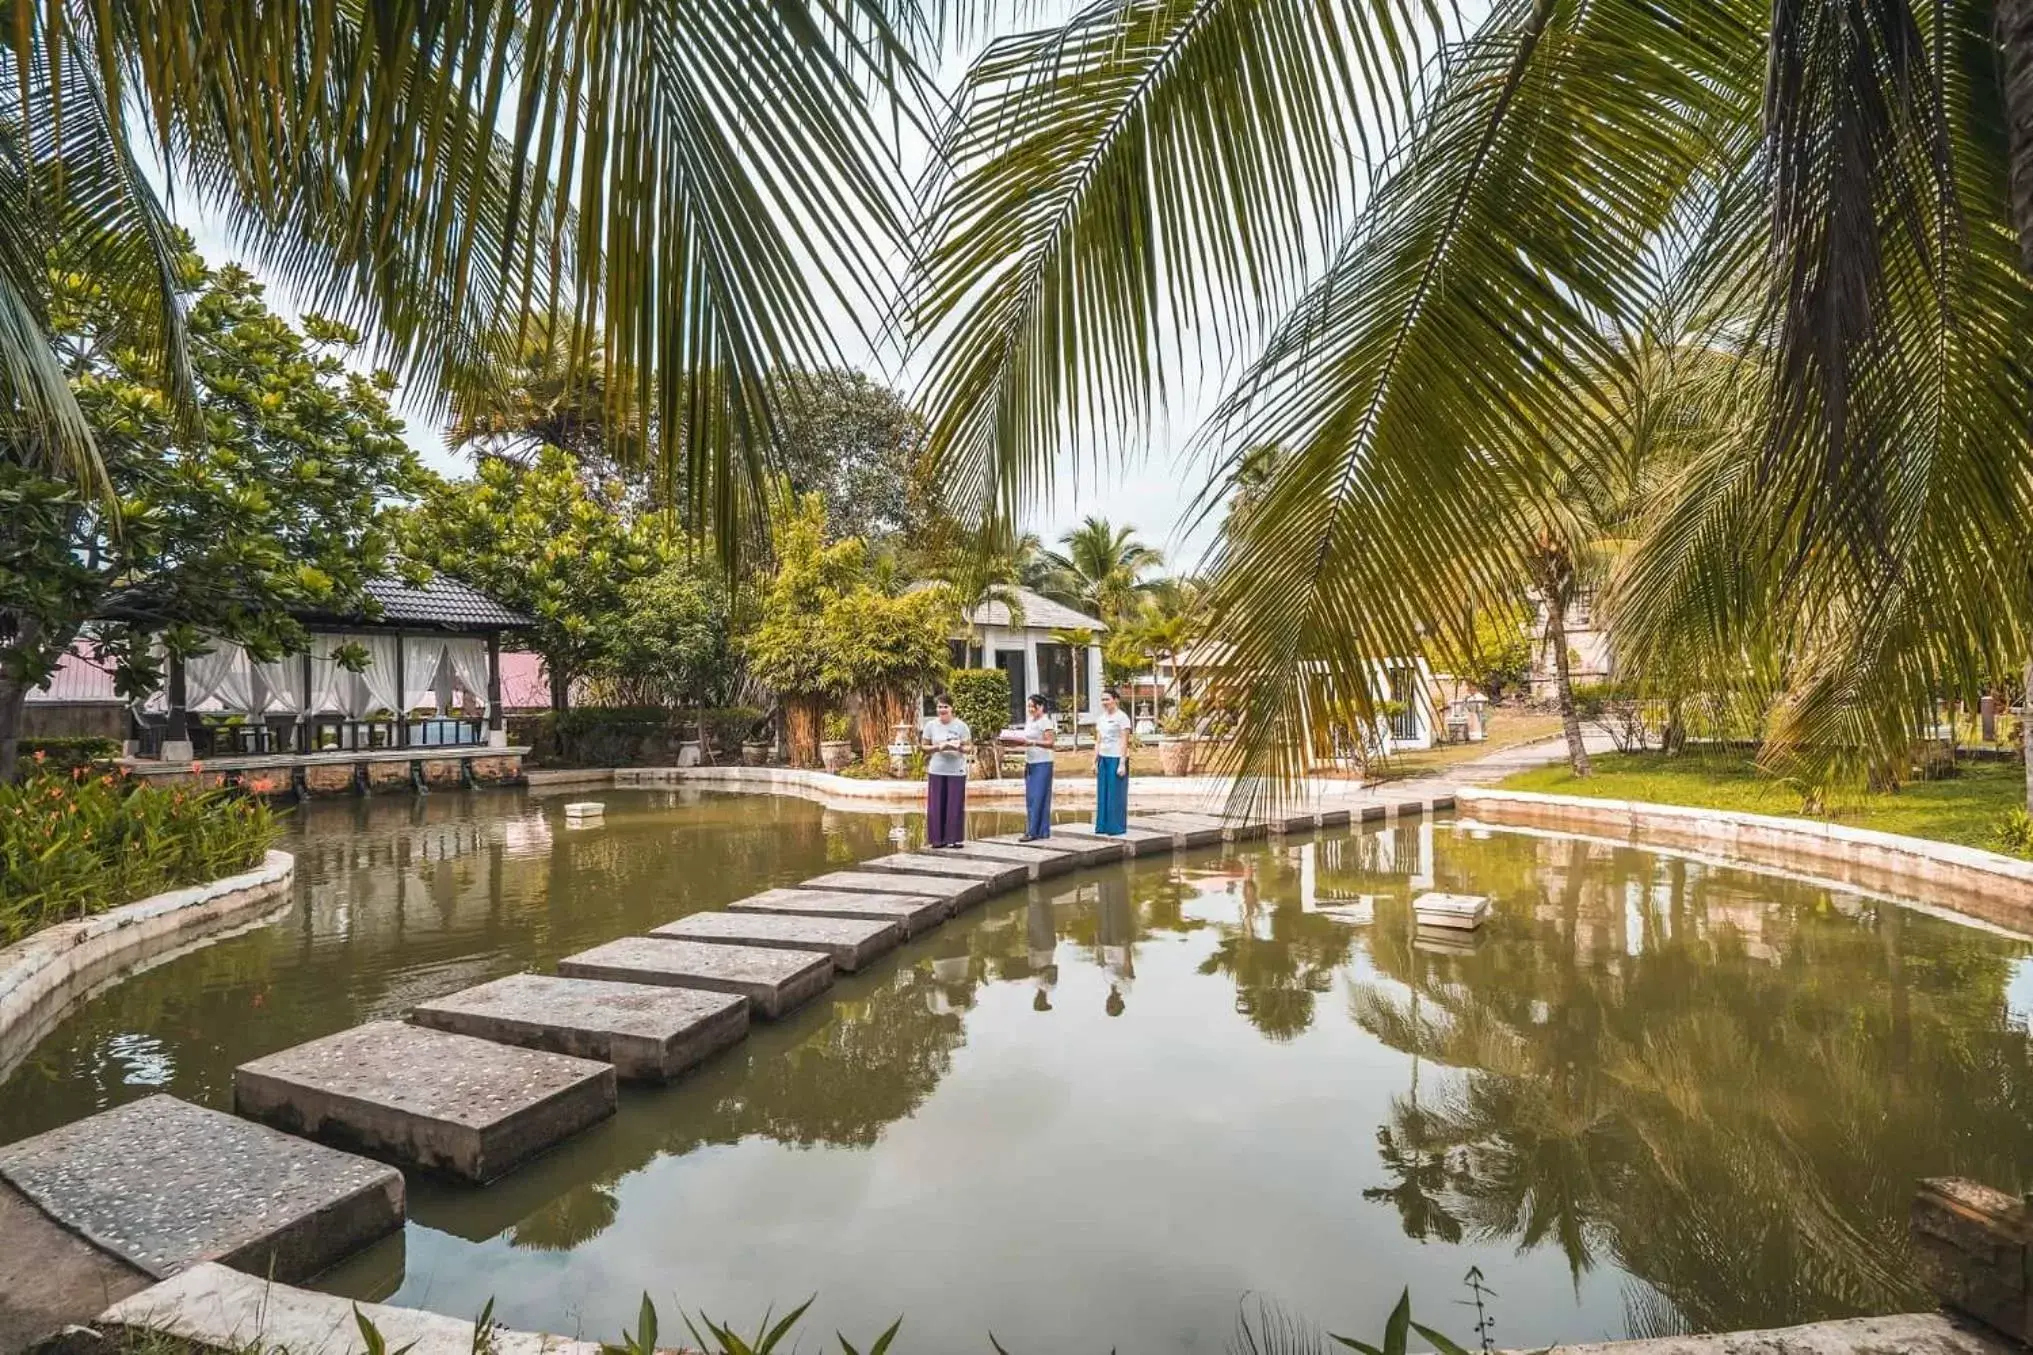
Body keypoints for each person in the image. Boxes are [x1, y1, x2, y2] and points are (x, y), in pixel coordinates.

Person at [920, 694, 972, 848]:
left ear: (951, 708)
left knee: (954, 805)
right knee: (936, 806)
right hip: (937, 769)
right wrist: (938, 747)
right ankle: (937, 839)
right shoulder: (931, 725)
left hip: (956, 770)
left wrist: (959, 747)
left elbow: (969, 747)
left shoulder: (961, 726)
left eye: (945, 707)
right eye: (940, 707)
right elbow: (924, 746)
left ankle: (953, 839)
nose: (942, 710)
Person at [1093, 687, 1136, 835]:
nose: (1104, 702)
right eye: (1103, 699)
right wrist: (1094, 761)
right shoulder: (1101, 719)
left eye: (1107, 699)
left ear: (1115, 700)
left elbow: (1124, 741)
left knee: (1115, 794)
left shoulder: (1122, 717)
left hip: (1117, 758)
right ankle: (1102, 825)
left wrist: (1122, 763)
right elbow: (1098, 741)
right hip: (1103, 758)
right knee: (1103, 793)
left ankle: (1116, 826)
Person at [1015, 693, 1057, 841]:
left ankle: (1034, 831)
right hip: (1031, 762)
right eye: (1029, 706)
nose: (1030, 709)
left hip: (1043, 763)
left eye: (1033, 706)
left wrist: (1033, 743)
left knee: (1039, 797)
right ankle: (1036, 830)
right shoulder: (1030, 721)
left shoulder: (1045, 722)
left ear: (1041, 707)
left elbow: (1050, 743)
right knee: (1031, 798)